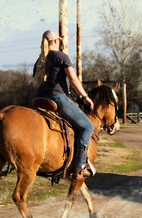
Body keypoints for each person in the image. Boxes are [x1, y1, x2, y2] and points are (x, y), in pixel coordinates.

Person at [32, 30, 95, 178]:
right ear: (55, 41)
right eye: (59, 40)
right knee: (88, 126)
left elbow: (36, 85)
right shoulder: (61, 57)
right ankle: (79, 167)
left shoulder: (39, 61)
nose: (60, 42)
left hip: (39, 99)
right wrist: (85, 97)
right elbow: (73, 79)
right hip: (57, 98)